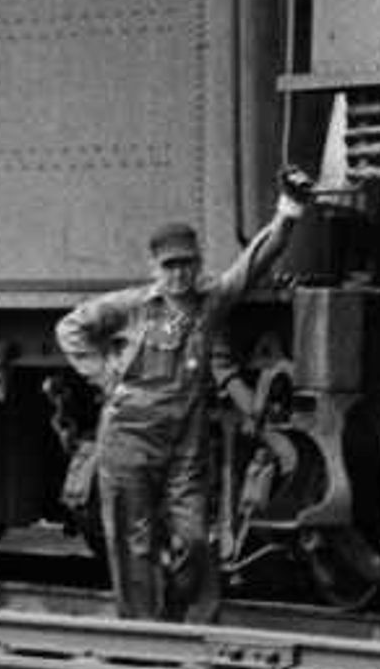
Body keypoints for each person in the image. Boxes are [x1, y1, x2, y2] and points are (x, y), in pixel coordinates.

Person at [57, 171, 315, 621]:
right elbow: (70, 328)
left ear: (197, 266)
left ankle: (194, 626)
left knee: (195, 536)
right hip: (128, 438)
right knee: (133, 541)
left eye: (186, 265)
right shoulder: (130, 307)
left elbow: (256, 260)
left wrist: (289, 208)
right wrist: (105, 379)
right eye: (170, 266)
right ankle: (143, 636)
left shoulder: (211, 302)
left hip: (184, 443)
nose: (179, 275)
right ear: (155, 269)